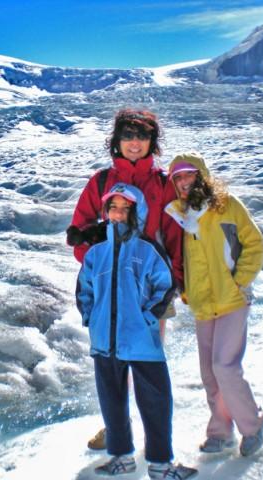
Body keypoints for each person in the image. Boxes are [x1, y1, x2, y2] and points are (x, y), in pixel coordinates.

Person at [66, 108, 180, 449]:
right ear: (116, 141)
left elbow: (173, 233)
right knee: (113, 360)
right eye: (128, 136)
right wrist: (98, 268)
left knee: (144, 359)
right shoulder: (100, 182)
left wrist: (171, 279)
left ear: (152, 143)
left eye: (142, 136)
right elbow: (82, 229)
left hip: (148, 290)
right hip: (108, 289)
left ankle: (152, 434)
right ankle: (116, 430)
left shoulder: (162, 183)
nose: (134, 143)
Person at [76, 183, 198, 479]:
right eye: (113, 208)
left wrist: (146, 317)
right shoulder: (96, 253)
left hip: (141, 340)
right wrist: (92, 319)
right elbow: (84, 290)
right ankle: (121, 457)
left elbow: (164, 285)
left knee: (155, 399)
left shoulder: (146, 250)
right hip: (105, 342)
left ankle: (160, 463)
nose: (118, 214)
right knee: (112, 400)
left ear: (136, 213)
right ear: (106, 213)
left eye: (125, 209)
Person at [162, 152, 263, 457]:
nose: (183, 182)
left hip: (232, 299)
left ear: (202, 175)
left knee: (225, 366)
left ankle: (253, 425)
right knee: (209, 372)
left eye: (189, 174)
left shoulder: (227, 205)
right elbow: (181, 258)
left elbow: (254, 243)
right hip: (202, 304)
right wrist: (187, 291)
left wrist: (240, 280)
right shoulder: (179, 214)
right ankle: (220, 431)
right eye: (177, 178)